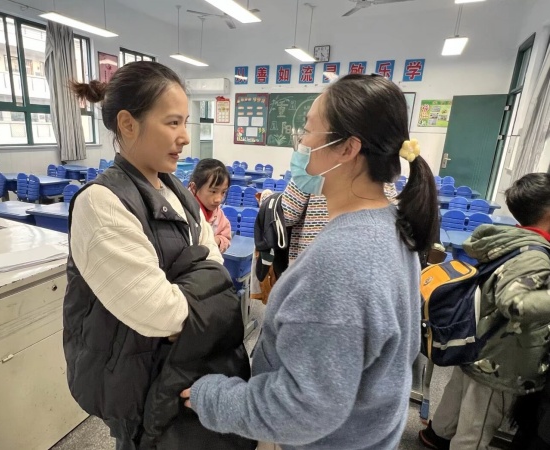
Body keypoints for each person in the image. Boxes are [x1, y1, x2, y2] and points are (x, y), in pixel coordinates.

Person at [180, 73, 440, 449]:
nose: (301, 142)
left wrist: (213, 398)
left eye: (307, 129)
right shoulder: (392, 223)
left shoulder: (343, 261)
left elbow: (302, 409)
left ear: (347, 148)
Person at [62, 61, 252, 450]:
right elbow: (162, 313)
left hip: (171, 372)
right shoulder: (102, 204)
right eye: (172, 123)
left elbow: (215, 268)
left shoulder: (176, 190)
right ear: (128, 124)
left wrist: (190, 291)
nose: (185, 137)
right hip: (132, 379)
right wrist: (206, 294)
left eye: (186, 122)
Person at [419, 172, 550, 450]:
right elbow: (515, 302)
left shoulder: (511, 239)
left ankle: (435, 436)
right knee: (475, 430)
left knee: (455, 402)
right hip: (499, 360)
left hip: (476, 342)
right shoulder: (535, 255)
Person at [188, 158, 233, 253]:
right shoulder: (183, 211)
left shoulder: (219, 215)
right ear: (194, 188)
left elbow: (226, 237)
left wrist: (217, 241)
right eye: (213, 191)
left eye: (223, 192)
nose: (218, 199)